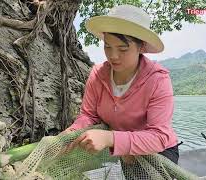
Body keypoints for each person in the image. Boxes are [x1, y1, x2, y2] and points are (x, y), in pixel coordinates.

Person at [63, 4, 179, 177]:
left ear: (141, 47)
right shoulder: (98, 74)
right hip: (124, 151)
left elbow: (159, 137)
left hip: (159, 154)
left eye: (123, 49)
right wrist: (70, 133)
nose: (113, 56)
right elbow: (89, 115)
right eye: (108, 46)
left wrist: (110, 138)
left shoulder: (158, 79)